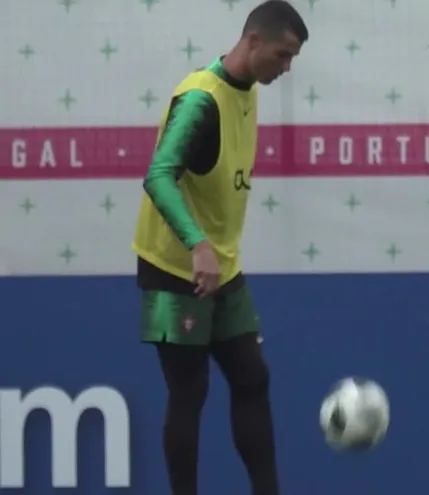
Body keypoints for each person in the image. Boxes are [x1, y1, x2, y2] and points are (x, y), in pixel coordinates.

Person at [131, 1, 308, 494]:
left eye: (293, 58)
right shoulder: (199, 101)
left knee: (253, 378)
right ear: (253, 41)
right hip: (173, 266)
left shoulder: (248, 90)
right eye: (283, 54)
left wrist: (215, 254)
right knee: (190, 391)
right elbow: (159, 176)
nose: (287, 67)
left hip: (223, 268)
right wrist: (198, 246)